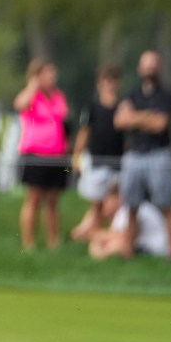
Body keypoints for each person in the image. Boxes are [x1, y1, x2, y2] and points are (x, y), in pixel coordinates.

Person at [114, 50, 171, 259]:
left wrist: (135, 116)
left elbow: (160, 124)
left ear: (159, 68)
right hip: (133, 155)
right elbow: (120, 121)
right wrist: (147, 116)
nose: (150, 68)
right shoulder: (131, 93)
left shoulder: (165, 95)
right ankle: (127, 254)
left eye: (153, 64)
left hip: (157, 154)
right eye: (146, 64)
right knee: (131, 205)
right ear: (140, 68)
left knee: (165, 204)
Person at [13, 58, 70, 251]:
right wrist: (33, 84)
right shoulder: (32, 96)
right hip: (35, 154)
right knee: (33, 199)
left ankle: (54, 242)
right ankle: (29, 244)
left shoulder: (58, 96)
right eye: (47, 73)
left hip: (56, 155)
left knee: (53, 201)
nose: (52, 77)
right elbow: (20, 104)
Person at [70, 65, 124, 242]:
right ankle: (94, 235)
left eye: (112, 80)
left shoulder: (123, 107)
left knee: (114, 204)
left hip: (118, 162)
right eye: (105, 80)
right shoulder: (92, 107)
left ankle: (110, 236)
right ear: (99, 84)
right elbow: (84, 132)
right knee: (97, 203)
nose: (109, 84)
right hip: (97, 161)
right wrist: (77, 156)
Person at [88, 189, 170, 259]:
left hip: (155, 251)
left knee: (118, 244)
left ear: (118, 198)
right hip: (159, 249)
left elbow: (121, 240)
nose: (104, 206)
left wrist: (98, 246)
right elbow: (112, 235)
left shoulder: (126, 211)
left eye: (107, 201)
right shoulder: (129, 209)